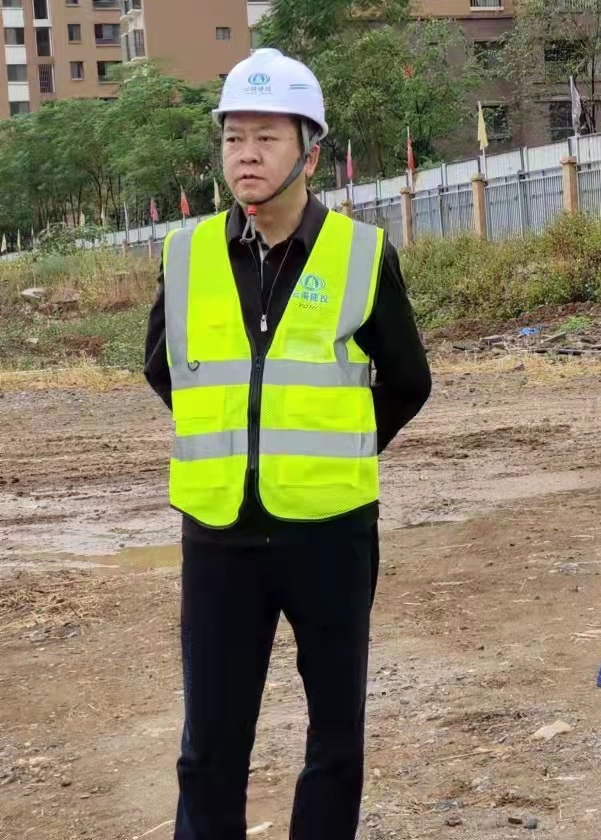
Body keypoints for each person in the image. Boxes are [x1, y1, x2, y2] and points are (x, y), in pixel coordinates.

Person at [142, 48, 432, 839]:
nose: (246, 155)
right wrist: (239, 438)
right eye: (234, 138)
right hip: (220, 534)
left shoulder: (361, 254)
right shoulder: (186, 255)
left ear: (309, 152)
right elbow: (165, 368)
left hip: (330, 533)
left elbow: (408, 380)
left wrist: (333, 447)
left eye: (266, 138)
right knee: (209, 746)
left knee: (335, 741)